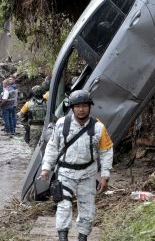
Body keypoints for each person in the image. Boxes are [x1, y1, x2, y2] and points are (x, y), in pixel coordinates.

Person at [39, 90, 114, 241]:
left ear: (90, 107)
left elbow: (106, 151)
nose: (81, 109)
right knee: (63, 206)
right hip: (65, 173)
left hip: (87, 174)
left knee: (87, 209)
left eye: (84, 106)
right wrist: (46, 167)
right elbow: (52, 147)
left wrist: (105, 176)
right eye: (78, 106)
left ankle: (82, 237)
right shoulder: (62, 124)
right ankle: (63, 237)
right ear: (72, 108)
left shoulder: (99, 127)